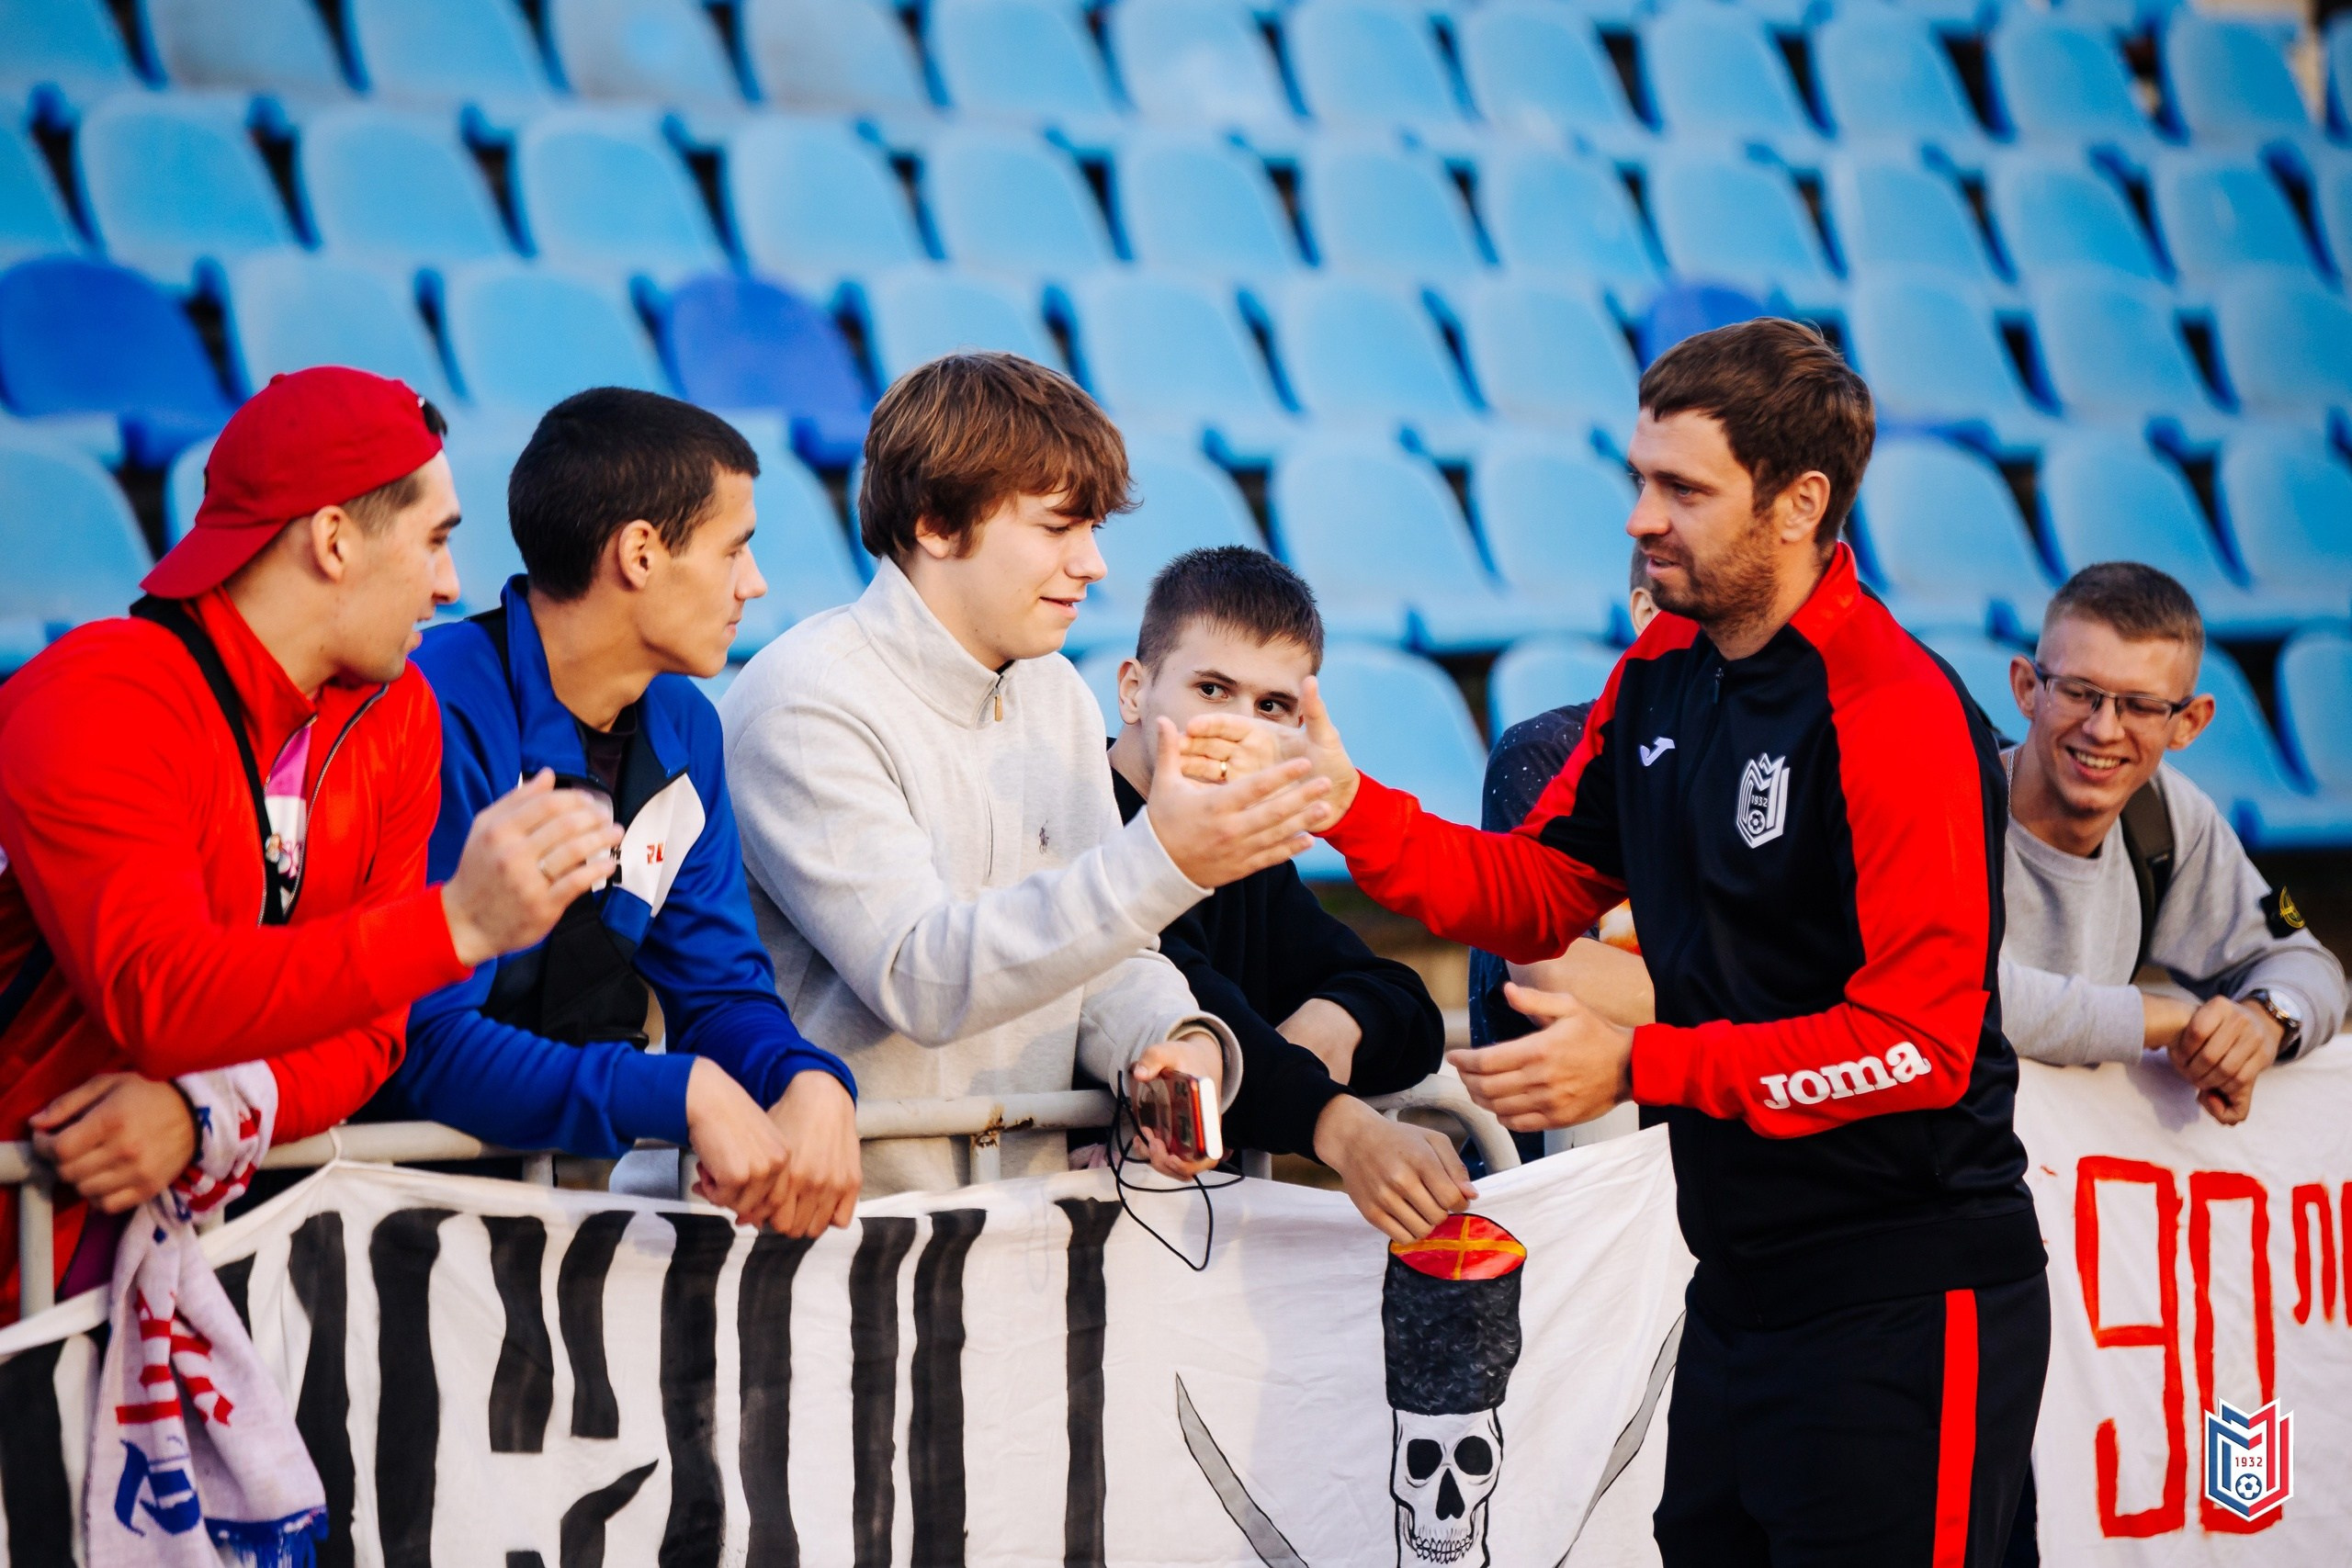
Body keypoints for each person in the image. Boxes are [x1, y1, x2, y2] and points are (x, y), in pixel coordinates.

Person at [1188, 319, 2045, 1566]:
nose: (1640, 517)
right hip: (1739, 1284)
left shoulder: (1895, 713)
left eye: (1682, 489)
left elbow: (1917, 1044)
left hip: (1908, 1294)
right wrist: (1347, 804)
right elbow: (1537, 886)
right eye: (1639, 478)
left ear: (1800, 503)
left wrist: (1646, 1065)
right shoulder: (1662, 669)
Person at [0, 367, 621, 1321]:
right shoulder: (99, 696)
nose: (451, 583)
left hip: (151, 1275)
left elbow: (373, 1035)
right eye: (436, 540)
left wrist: (209, 1118)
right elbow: (159, 993)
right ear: (334, 540)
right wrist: (454, 926)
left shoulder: (397, 712)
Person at [719, 353, 1332, 1195]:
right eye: (1057, 528)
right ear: (935, 521)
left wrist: (1175, 1040)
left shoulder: (1056, 692)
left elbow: (1104, 958)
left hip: (1024, 1235)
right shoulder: (803, 701)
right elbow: (920, 976)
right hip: (837, 1242)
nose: (1093, 564)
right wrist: (1165, 861)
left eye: (1094, 531)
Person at [377, 389, 861, 1235]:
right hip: (375, 1225)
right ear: (640, 552)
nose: (756, 583)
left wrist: (806, 1078)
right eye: (735, 549)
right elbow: (427, 1044)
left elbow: (718, 994)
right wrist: (676, 1089)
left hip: (561, 1229)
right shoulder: (433, 708)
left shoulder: (687, 726)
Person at [1105, 547, 1460, 1241]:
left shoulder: (1244, 842)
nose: (1239, 726)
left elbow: (1407, 1004)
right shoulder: (1077, 815)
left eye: (1272, 706)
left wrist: (1335, 1020)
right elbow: (1188, 996)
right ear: (1133, 691)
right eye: (1211, 689)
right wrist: (1342, 1127)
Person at [1998, 561, 2344, 1120]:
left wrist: (2262, 1022)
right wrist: (2157, 1019)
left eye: (2141, 706)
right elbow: (1941, 999)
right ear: (2025, 688)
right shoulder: (1946, 800)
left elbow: (2305, 959)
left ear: (2189, 723)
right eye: (2080, 692)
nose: (2103, 729)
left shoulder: (2167, 817)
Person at [1468, 548, 1658, 1065]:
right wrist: (1771, 1019)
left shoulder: (1804, 757)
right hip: (1577, 1134)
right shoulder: (1553, 750)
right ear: (1649, 615)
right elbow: (1555, 972)